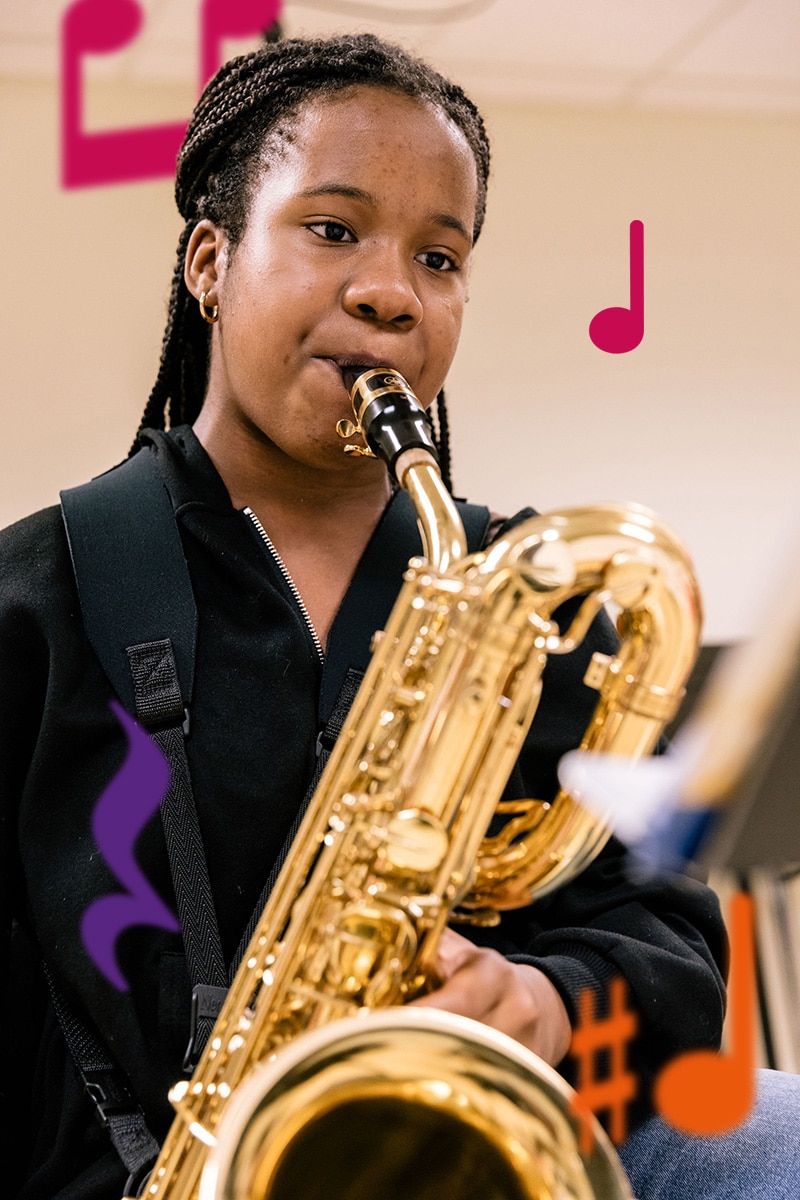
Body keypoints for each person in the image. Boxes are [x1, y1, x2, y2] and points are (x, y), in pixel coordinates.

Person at [1, 32, 798, 1200]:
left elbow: (667, 940)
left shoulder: (530, 593)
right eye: (331, 229)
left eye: (439, 255)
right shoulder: (41, 592)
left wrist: (543, 1004)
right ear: (209, 262)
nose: (388, 292)